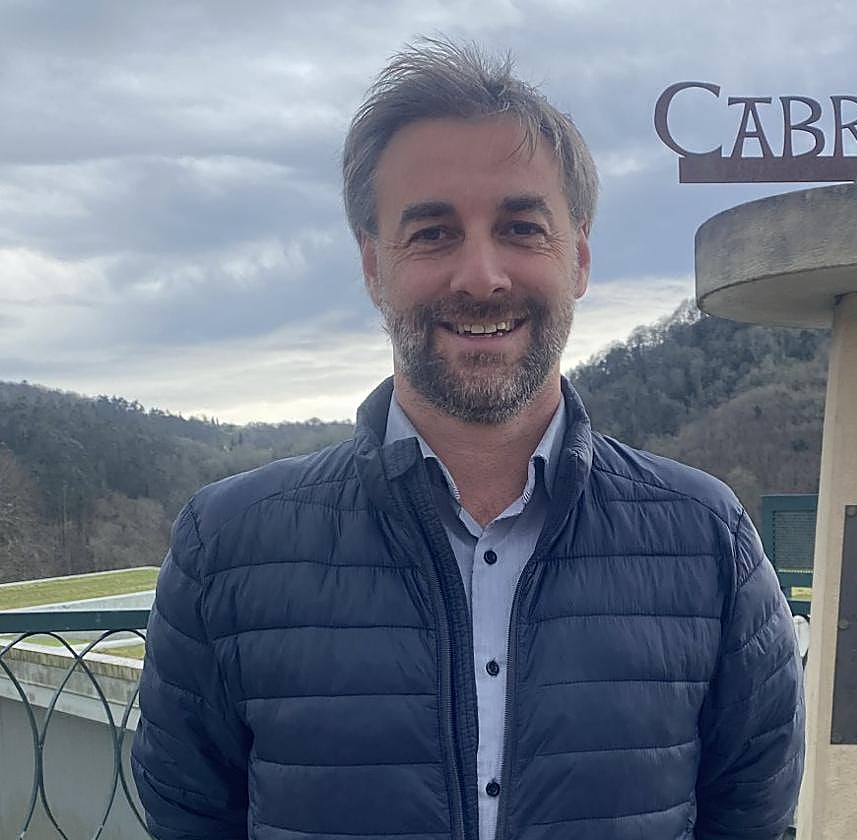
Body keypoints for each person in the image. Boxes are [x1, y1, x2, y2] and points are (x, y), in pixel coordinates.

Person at [131, 40, 803, 840]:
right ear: (373, 266)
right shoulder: (226, 550)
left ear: (579, 257)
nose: (482, 276)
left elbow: (751, 820)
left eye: (521, 227)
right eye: (433, 233)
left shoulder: (707, 543)